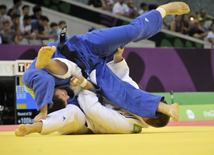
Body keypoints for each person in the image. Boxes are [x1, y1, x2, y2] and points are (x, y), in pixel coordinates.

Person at [22, 2, 190, 123]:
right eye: (66, 97)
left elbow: (44, 81)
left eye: (61, 95)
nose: (66, 95)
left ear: (49, 97)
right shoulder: (67, 102)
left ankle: (162, 10)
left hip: (84, 47)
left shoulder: (32, 81)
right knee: (117, 92)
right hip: (94, 69)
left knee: (132, 31)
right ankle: (164, 108)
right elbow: (84, 105)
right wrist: (84, 84)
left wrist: (42, 112)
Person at [15, 48, 176, 136]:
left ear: (148, 117)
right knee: (72, 69)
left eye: (151, 104)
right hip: (88, 91)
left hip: (86, 121)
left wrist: (86, 85)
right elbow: (122, 80)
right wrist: (118, 58)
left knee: (71, 114)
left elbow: (93, 111)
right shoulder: (137, 98)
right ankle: (49, 63)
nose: (147, 99)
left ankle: (35, 126)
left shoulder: (129, 125)